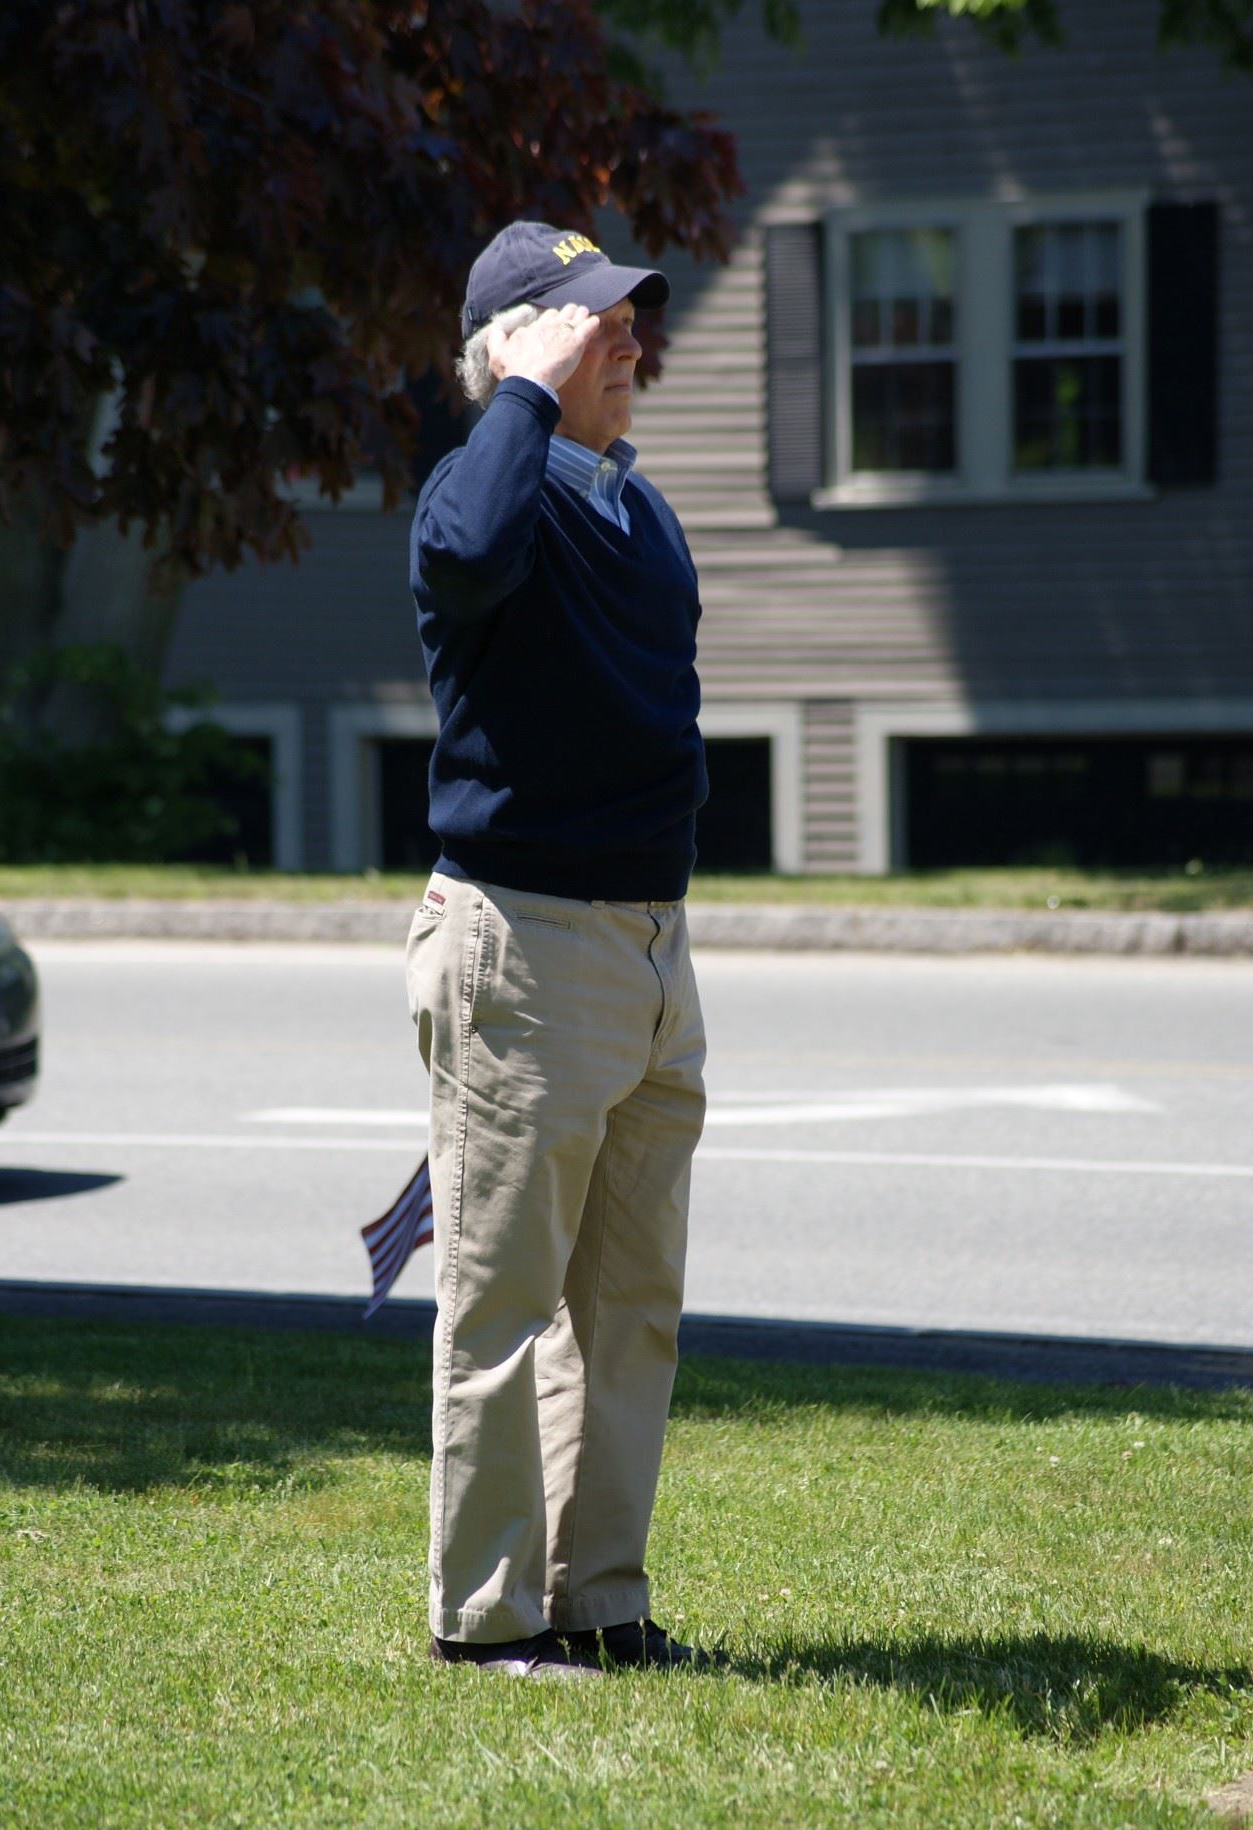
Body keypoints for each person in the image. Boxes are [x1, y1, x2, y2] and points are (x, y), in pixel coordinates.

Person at [406, 221, 713, 1679]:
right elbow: (468, 557)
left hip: (651, 952)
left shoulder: (635, 511)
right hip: (522, 942)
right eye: (595, 321)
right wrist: (521, 394)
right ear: (520, 347)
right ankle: (487, 1622)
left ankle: (600, 1601)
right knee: (507, 1304)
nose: (628, 337)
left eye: (630, 317)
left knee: (630, 1307)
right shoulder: (480, 497)